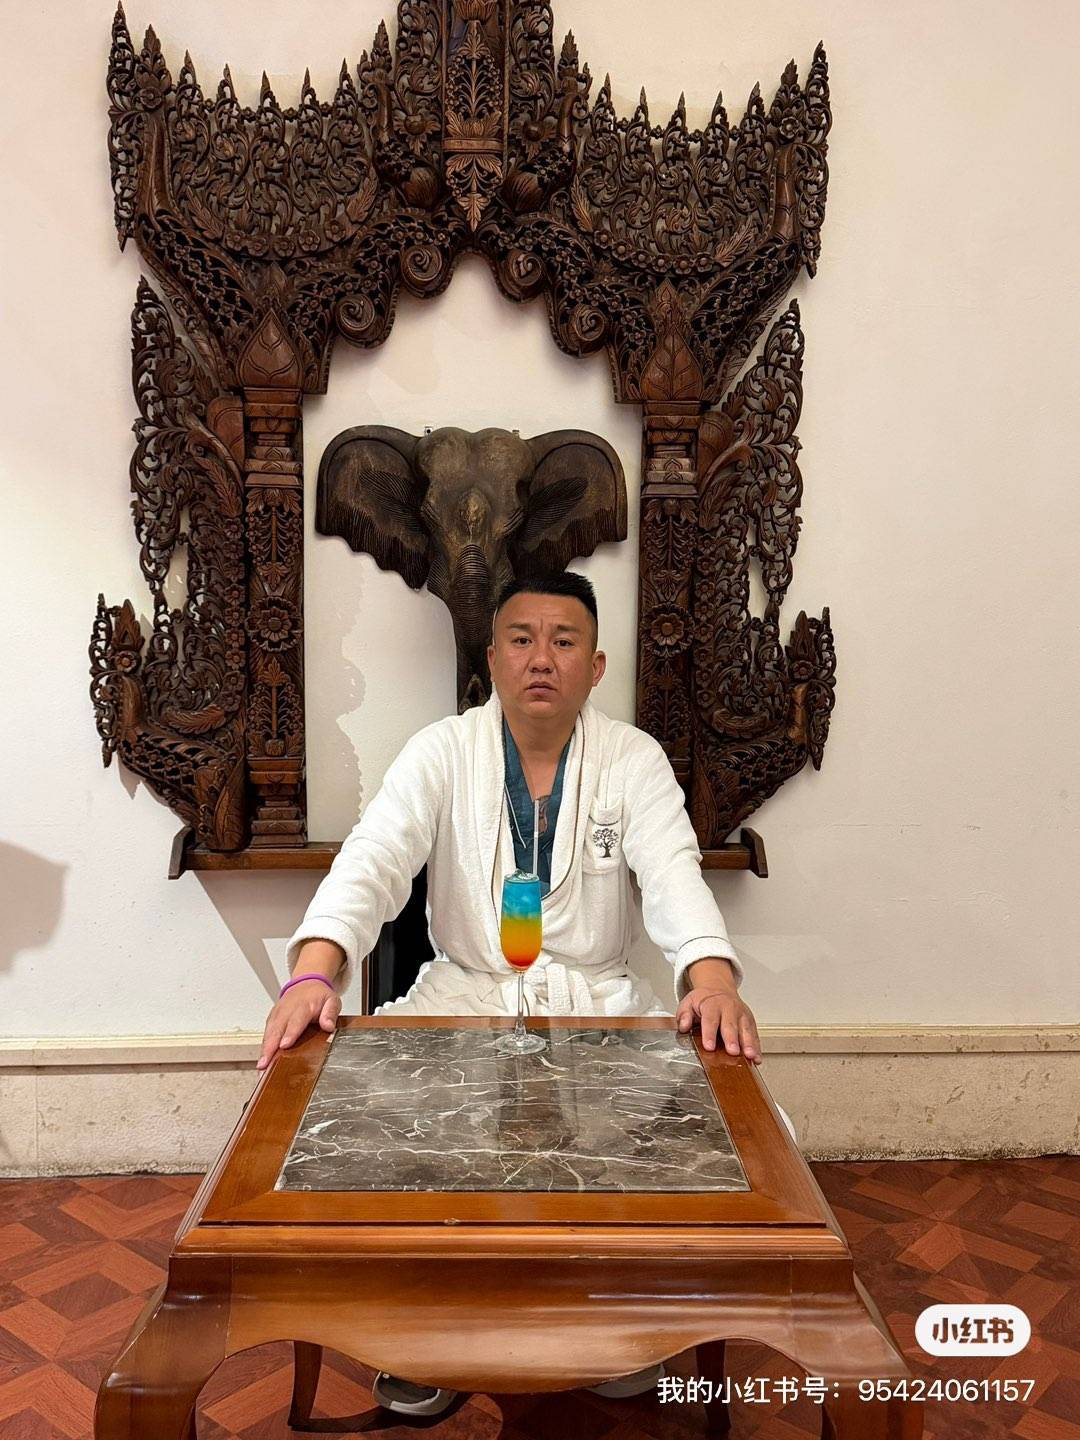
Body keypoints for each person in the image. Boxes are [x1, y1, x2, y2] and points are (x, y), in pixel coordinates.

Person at [258, 571, 762, 1416]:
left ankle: (616, 1323)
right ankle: (424, 1332)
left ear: (595, 666)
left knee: (707, 1135)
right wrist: (315, 972)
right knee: (363, 1128)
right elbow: (373, 861)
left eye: (564, 641)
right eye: (521, 639)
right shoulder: (442, 751)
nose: (541, 659)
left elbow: (675, 875)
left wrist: (711, 978)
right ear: (491, 658)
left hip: (596, 1000)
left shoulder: (632, 759)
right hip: (464, 992)